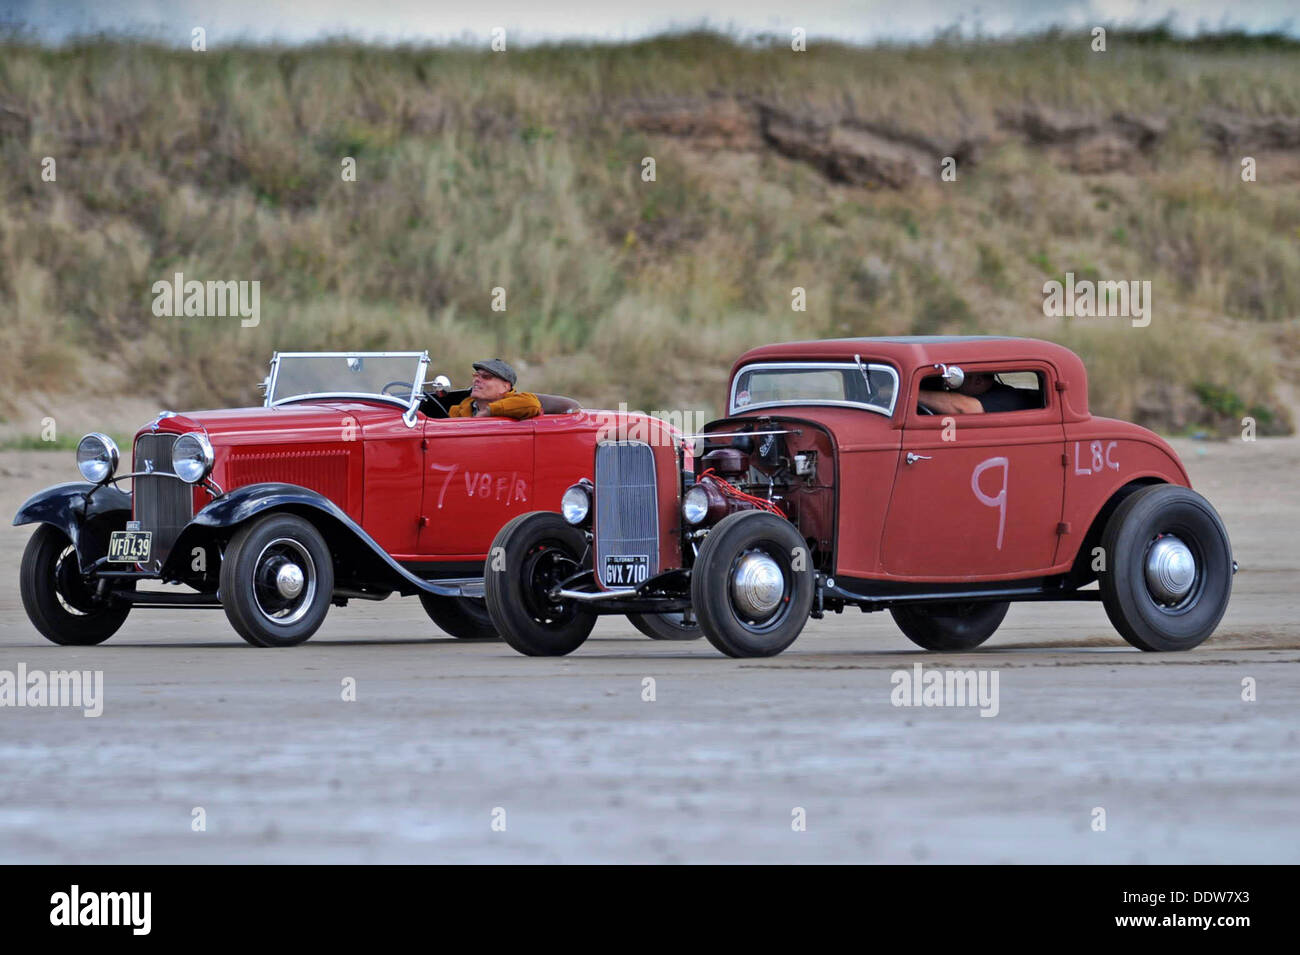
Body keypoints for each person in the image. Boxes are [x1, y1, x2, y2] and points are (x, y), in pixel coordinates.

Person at [446, 358, 542, 419]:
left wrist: (488, 411)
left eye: (486, 377)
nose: (476, 380)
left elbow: (532, 404)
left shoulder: (518, 403)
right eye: (476, 375)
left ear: (505, 387)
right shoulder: (459, 410)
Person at [918, 371, 1041, 415]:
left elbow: (964, 408)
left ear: (977, 380)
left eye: (962, 376)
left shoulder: (1007, 398)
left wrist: (914, 396)